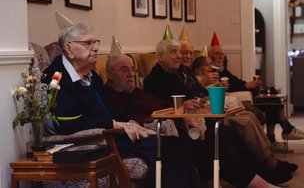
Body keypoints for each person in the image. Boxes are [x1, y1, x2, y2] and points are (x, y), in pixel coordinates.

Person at [42, 23, 201, 188]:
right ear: (69, 48)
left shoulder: (92, 76)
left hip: (114, 134)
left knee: (175, 144)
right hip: (93, 141)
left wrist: (132, 122)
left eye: (95, 42)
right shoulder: (55, 77)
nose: (96, 48)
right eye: (88, 43)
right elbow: (67, 122)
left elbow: (109, 108)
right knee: (164, 150)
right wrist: (114, 124)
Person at [105, 48, 281, 187]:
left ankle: (257, 176)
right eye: (124, 69)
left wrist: (180, 108)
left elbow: (161, 103)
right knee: (207, 148)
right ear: (110, 74)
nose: (130, 74)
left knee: (221, 138)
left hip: (174, 124)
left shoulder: (136, 91)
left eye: (132, 69)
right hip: (152, 132)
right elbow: (132, 119)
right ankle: (256, 181)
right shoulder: (110, 96)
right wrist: (175, 112)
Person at [144, 36, 296, 185]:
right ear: (160, 56)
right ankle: (254, 177)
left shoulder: (176, 73)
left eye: (179, 52)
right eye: (174, 52)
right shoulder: (155, 79)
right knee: (220, 139)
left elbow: (196, 93)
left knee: (230, 134)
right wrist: (185, 105)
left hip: (199, 119)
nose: (179, 56)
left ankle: (259, 172)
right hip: (183, 128)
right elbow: (158, 106)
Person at [208, 32, 304, 144]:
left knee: (271, 94)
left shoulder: (223, 70)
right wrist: (246, 85)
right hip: (235, 95)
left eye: (222, 54)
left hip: (242, 89)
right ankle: (283, 131)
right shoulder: (212, 72)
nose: (220, 57)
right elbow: (229, 87)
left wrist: (249, 83)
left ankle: (276, 135)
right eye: (217, 54)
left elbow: (236, 80)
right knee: (270, 98)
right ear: (210, 56)